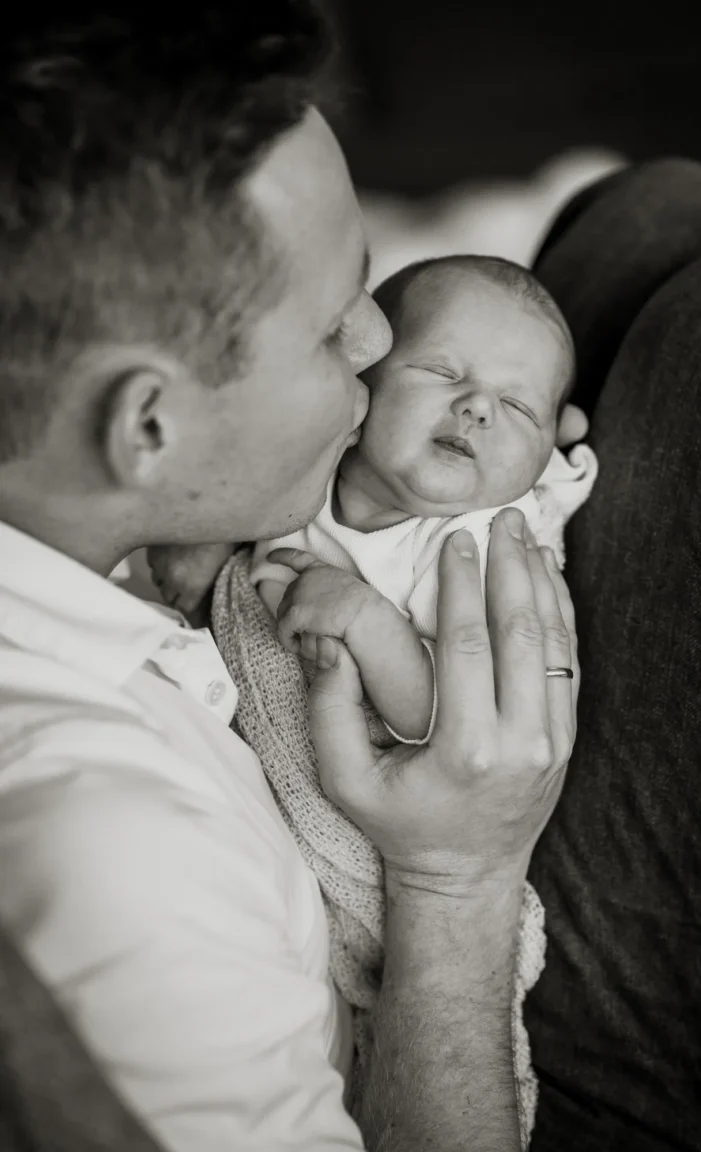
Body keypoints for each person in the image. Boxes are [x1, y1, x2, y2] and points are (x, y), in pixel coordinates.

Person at [0, 8, 578, 1152]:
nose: (378, 341)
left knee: (649, 220)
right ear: (147, 425)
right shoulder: (122, 861)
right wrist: (459, 881)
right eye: (333, 330)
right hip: (436, 984)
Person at [150, 253, 597, 1144]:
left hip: (419, 849)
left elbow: (462, 728)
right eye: (442, 373)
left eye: (518, 408)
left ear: (549, 445)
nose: (476, 408)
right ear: (356, 393)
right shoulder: (303, 475)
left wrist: (369, 625)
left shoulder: (468, 547)